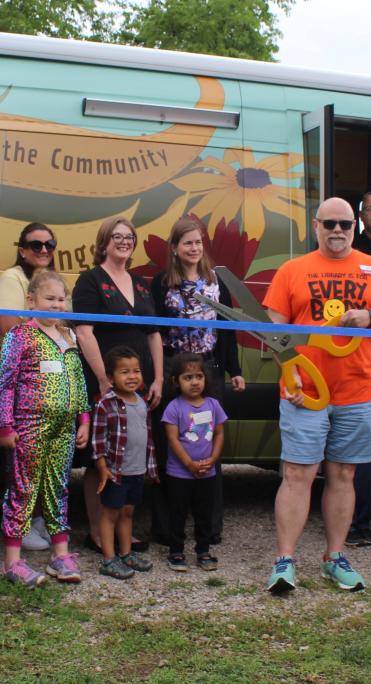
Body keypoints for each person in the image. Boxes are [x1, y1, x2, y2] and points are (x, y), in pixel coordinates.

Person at [262, 197, 371, 595]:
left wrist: (370, 316)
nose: (337, 230)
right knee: (297, 475)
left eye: (345, 223)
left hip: (358, 390)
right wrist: (289, 375)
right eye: (330, 224)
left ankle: (334, 558)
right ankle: (285, 560)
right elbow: (275, 335)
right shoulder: (293, 270)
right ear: (316, 226)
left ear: (355, 227)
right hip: (304, 392)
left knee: (344, 474)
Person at [151, 215, 245, 547]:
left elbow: (227, 330)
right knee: (170, 448)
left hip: (208, 371)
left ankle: (209, 527)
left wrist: (235, 370)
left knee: (208, 445)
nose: (194, 248)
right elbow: (157, 333)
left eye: (198, 243)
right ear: (175, 248)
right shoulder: (162, 283)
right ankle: (167, 528)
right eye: (187, 242)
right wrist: (159, 376)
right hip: (175, 370)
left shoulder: (216, 282)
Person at [0, 270, 90, 586]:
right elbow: (5, 384)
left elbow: (78, 379)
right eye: (50, 299)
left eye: (62, 299)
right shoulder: (19, 336)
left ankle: (60, 554)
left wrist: (84, 418)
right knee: (23, 488)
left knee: (59, 487)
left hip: (64, 427)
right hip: (29, 425)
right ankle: (12, 561)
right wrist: (5, 425)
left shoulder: (69, 337)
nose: (57, 305)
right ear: (31, 300)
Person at [73, 216, 162, 554]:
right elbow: (84, 332)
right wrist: (101, 379)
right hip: (106, 385)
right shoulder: (90, 280)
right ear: (104, 242)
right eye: (117, 236)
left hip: (138, 383)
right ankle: (97, 531)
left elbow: (153, 332)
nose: (124, 241)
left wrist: (158, 378)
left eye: (129, 237)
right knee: (101, 455)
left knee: (131, 453)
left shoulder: (141, 284)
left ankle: (122, 532)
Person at [92, 348, 157, 581]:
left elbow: (146, 437)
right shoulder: (106, 404)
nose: (132, 376)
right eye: (124, 372)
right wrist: (102, 468)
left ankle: (126, 553)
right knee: (110, 513)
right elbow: (97, 441)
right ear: (110, 378)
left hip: (136, 469)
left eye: (136, 371)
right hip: (115, 472)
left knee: (128, 512)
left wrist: (151, 467)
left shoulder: (141, 402)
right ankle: (109, 559)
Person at [161, 353, 228, 572]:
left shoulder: (213, 405)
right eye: (187, 377)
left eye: (198, 376)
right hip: (180, 473)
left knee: (204, 513)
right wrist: (189, 464)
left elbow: (218, 433)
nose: (194, 382)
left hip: (207, 472)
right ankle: (176, 552)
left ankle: (203, 550)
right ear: (176, 382)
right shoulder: (174, 407)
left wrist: (213, 459)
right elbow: (172, 439)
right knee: (178, 512)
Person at [0, 223, 58, 336]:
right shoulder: (11, 278)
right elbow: (11, 332)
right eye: (36, 245)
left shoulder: (53, 280)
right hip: (26, 352)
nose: (44, 250)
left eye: (49, 244)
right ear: (22, 252)